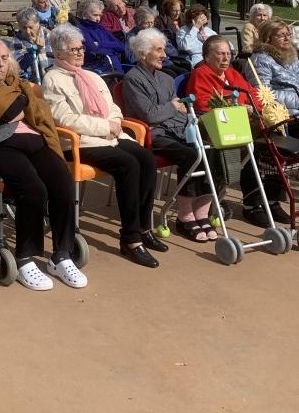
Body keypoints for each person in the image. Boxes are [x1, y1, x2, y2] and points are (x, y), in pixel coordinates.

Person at [0, 39, 87, 290]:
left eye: (5, 58)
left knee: (63, 182)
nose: (0, 64)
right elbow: (8, 110)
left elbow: (25, 107)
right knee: (33, 189)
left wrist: (17, 103)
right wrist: (20, 102)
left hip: (33, 140)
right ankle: (25, 257)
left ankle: (62, 254)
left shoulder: (15, 82)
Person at [43, 24, 165, 267]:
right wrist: (104, 127)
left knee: (146, 159)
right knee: (128, 164)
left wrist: (115, 123)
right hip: (80, 142)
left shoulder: (91, 76)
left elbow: (113, 107)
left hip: (110, 136)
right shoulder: (52, 79)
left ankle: (143, 228)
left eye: (81, 48)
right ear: (58, 53)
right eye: (74, 49)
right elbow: (64, 119)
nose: (80, 52)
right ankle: (130, 239)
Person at [122, 30, 221, 241]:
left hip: (177, 129)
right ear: (143, 53)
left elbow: (179, 110)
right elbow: (149, 115)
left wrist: (175, 109)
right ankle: (184, 216)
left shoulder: (166, 78)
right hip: (152, 134)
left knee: (211, 150)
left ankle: (201, 213)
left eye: (164, 49)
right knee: (192, 155)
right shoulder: (133, 79)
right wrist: (173, 106)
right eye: (159, 50)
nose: (164, 55)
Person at [187, 35, 286, 227]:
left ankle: (272, 200)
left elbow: (253, 96)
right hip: (214, 128)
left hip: (239, 124)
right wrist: (241, 108)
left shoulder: (232, 74)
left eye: (228, 54)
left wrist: (255, 108)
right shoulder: (200, 74)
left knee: (272, 140)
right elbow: (204, 105)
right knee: (255, 146)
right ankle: (252, 204)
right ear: (207, 57)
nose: (226, 58)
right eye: (220, 54)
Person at [245, 19, 299, 116]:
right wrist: (297, 99)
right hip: (282, 113)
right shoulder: (260, 60)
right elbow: (263, 95)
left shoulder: (292, 56)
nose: (287, 39)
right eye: (281, 35)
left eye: (288, 34)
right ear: (268, 38)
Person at [74, 0, 125, 75]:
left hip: (115, 69)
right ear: (84, 14)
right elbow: (92, 49)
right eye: (95, 15)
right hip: (99, 71)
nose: (98, 19)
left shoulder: (100, 27)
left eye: (100, 16)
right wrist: (112, 48)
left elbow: (121, 46)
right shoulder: (80, 30)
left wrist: (100, 44)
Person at [11, 7, 50, 83]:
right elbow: (20, 66)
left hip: (49, 77)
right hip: (30, 81)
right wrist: (34, 51)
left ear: (37, 24)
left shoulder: (47, 35)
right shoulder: (17, 41)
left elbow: (54, 58)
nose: (28, 31)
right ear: (19, 26)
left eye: (30, 27)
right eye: (24, 28)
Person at [176, 4, 215, 68]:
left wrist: (210, 40)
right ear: (192, 20)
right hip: (196, 61)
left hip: (211, 58)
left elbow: (223, 44)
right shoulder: (183, 30)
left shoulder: (208, 30)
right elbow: (185, 47)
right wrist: (195, 28)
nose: (201, 22)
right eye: (199, 20)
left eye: (203, 19)